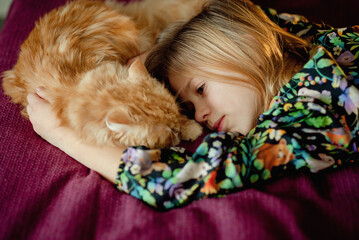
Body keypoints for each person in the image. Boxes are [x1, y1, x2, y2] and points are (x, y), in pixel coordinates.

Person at [26, 0, 359, 210]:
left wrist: (61, 132)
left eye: (200, 88)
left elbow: (179, 181)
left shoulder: (309, 110)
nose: (199, 115)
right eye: (190, 104)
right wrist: (145, 65)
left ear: (247, 44)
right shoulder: (316, 47)